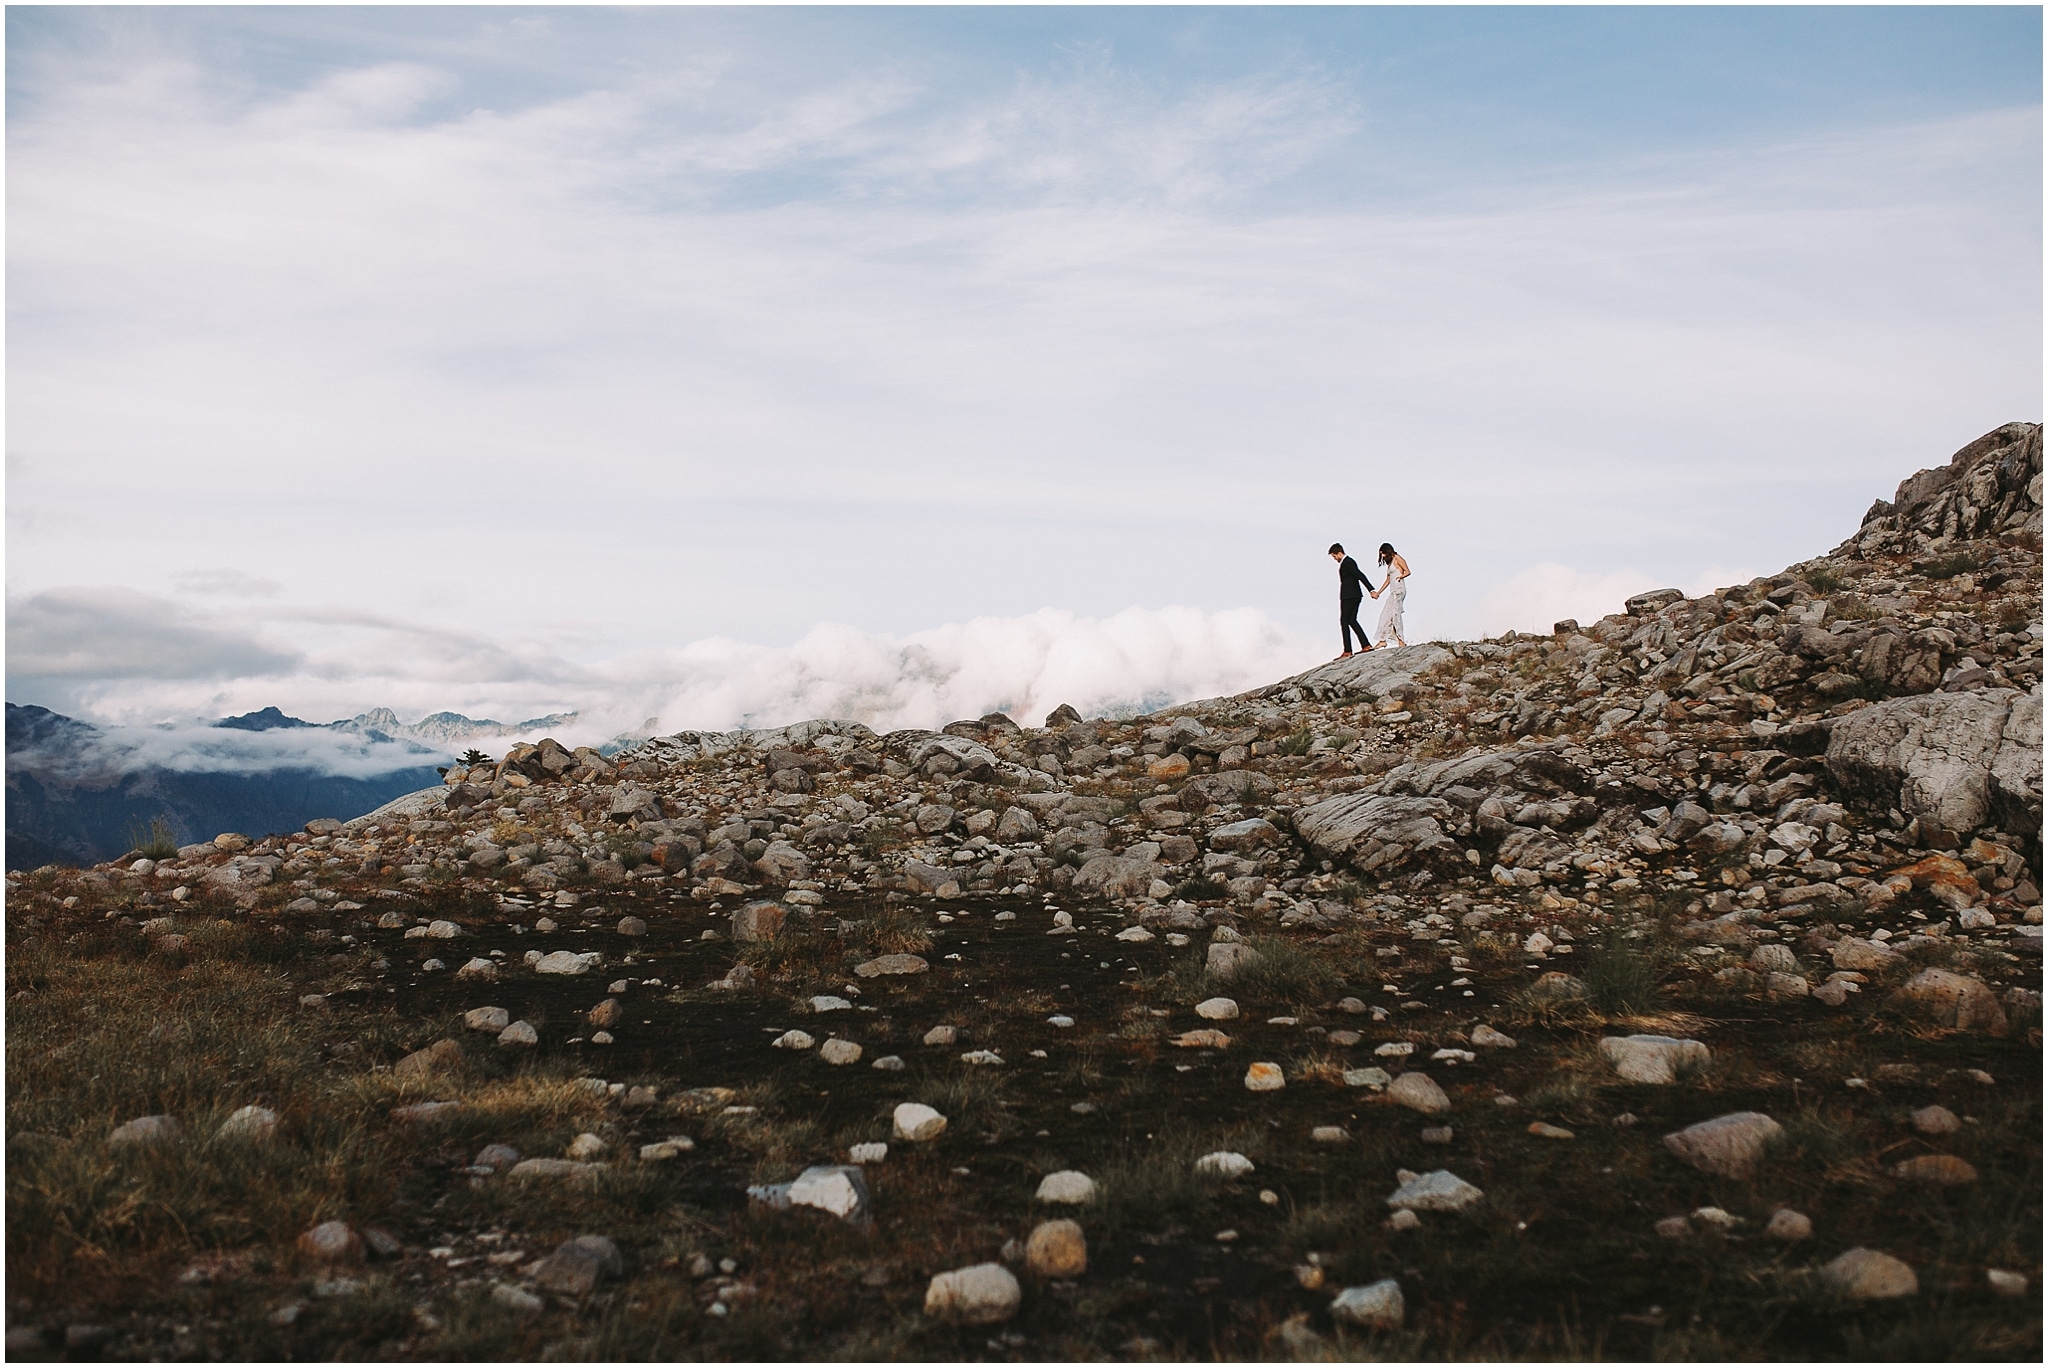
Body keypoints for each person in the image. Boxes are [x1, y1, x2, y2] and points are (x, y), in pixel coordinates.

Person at [1327, 543, 1374, 657]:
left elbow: (1359, 575)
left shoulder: (1348, 562)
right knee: (1352, 620)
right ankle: (1365, 645)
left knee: (1344, 620)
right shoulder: (1348, 562)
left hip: (1349, 595)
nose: (1335, 559)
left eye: (1334, 556)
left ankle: (1347, 650)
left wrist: (1371, 589)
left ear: (1339, 553)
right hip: (1354, 595)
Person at [1369, 542, 1410, 648]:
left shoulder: (1397, 558)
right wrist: (1378, 592)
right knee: (1385, 614)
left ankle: (1401, 641)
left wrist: (1400, 577)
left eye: (1383, 554)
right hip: (1392, 591)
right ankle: (1383, 639)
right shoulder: (1389, 562)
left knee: (1395, 615)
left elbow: (1407, 571)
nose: (1382, 556)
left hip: (1399, 589)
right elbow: (1388, 580)